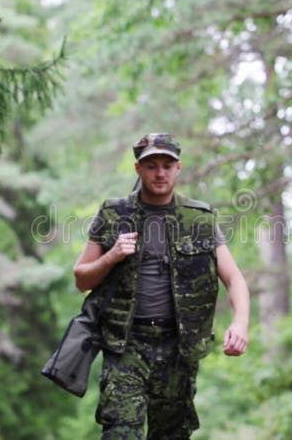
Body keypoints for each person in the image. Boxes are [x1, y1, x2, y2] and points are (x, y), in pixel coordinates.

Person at [73, 133, 250, 439]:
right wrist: (112, 256)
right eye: (151, 165)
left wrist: (241, 323)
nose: (160, 173)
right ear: (138, 169)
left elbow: (234, 278)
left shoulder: (200, 219)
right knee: (120, 433)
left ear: (178, 168)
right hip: (127, 344)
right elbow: (81, 279)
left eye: (167, 165)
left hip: (178, 348)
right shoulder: (113, 214)